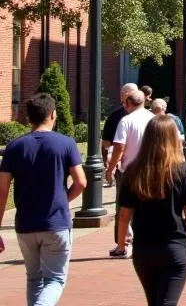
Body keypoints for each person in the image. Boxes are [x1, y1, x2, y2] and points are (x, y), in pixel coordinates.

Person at [0, 93, 86, 306]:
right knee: (55, 278)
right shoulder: (65, 143)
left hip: (25, 224)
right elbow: (81, 182)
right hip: (55, 222)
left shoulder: (14, 147)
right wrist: (64, 200)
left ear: (29, 118)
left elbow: (2, 189)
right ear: (53, 114)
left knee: (34, 278)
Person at [116, 114, 186, 306]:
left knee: (155, 301)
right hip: (174, 246)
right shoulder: (182, 171)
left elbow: (124, 214)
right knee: (166, 301)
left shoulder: (133, 171)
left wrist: (122, 243)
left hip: (144, 249)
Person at [105, 88, 154, 257]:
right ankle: (146, 241)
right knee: (148, 206)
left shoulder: (126, 121)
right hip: (150, 170)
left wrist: (111, 168)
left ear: (128, 103)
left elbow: (119, 146)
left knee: (124, 208)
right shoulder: (154, 119)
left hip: (128, 171)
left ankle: (123, 244)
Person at [101, 83, 138, 186]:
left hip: (123, 167)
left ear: (123, 96)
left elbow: (107, 144)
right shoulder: (150, 116)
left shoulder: (115, 116)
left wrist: (109, 166)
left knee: (123, 200)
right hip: (144, 166)